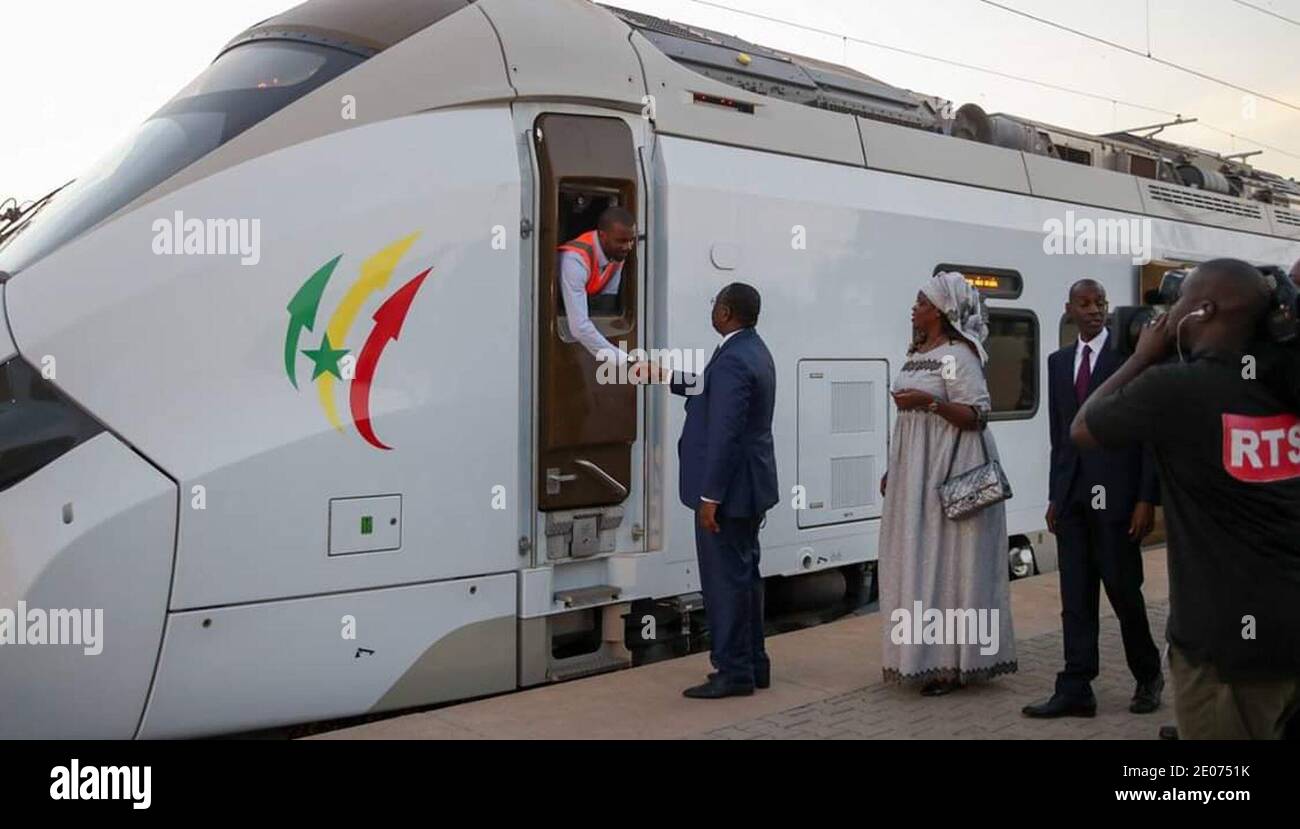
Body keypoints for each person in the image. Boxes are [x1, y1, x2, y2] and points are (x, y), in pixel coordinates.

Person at [1073, 258, 1300, 739]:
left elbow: (1084, 427)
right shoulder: (1285, 383)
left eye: (1178, 302)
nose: (1169, 314)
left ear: (1204, 310)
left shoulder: (1177, 390)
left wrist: (1143, 355)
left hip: (1224, 653)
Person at [1023, 279, 1163, 719]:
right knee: (1075, 598)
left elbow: (1146, 435)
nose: (1095, 310)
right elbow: (1059, 437)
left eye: (1100, 302)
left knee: (1124, 591)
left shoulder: (1130, 360)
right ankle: (1076, 687)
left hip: (1118, 499)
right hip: (1073, 499)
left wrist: (1146, 498)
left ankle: (1148, 675)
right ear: (1069, 309)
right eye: (1084, 304)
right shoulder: (1058, 363)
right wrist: (1054, 496)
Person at [878, 272, 1017, 696]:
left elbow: (977, 414)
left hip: (948, 470)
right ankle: (917, 657)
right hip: (914, 473)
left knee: (948, 564)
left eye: (921, 303)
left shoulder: (960, 354)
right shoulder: (919, 353)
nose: (914, 309)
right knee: (914, 560)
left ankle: (948, 665)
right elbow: (907, 423)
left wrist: (929, 402)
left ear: (941, 311)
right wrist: (894, 467)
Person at [670, 283, 779, 699]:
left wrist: (710, 496)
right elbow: (711, 387)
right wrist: (664, 376)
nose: (711, 309)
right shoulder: (751, 349)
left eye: (714, 303)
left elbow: (726, 433)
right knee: (746, 578)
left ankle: (732, 673)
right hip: (750, 489)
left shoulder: (734, 358)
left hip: (728, 494)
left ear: (727, 311)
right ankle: (753, 664)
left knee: (724, 584)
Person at [556, 206, 637, 365]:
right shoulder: (574, 260)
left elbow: (607, 302)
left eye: (631, 240)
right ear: (603, 236)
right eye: (621, 241)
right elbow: (579, 327)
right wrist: (624, 361)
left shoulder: (616, 254)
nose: (627, 247)